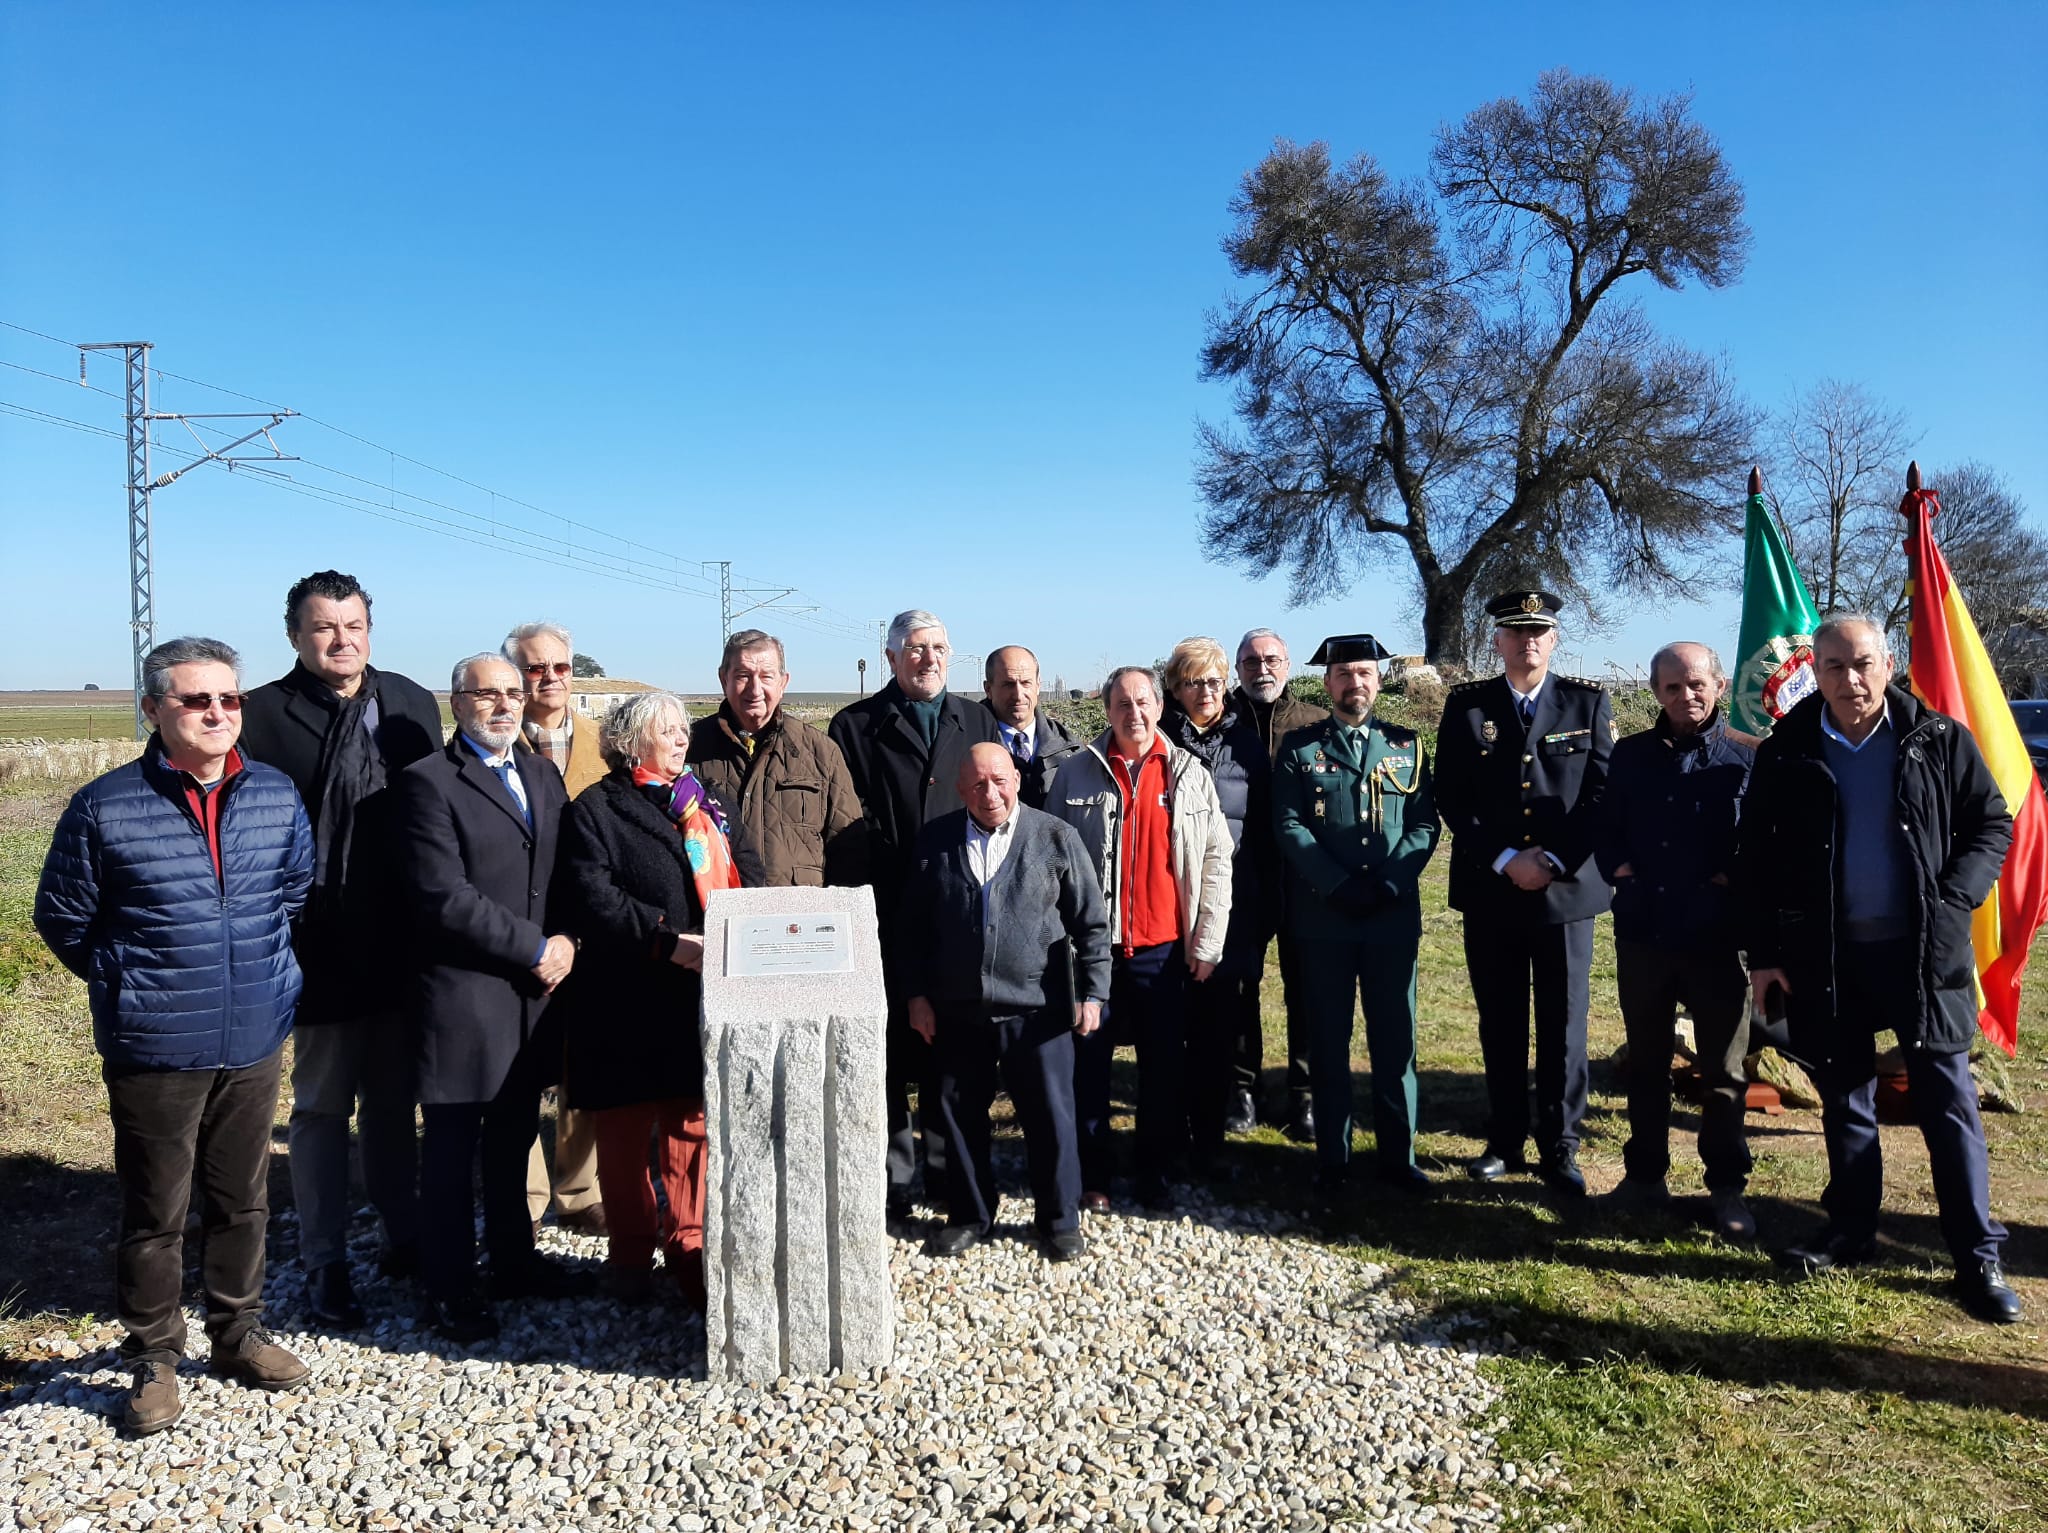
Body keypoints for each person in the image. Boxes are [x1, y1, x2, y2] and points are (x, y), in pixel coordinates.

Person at [35, 637, 314, 1434]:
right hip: (155, 1043)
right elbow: (62, 918)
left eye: (229, 699)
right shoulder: (106, 805)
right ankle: (154, 1355)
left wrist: (264, 975)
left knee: (243, 1200)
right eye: (196, 700)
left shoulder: (273, 794)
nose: (217, 713)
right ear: (155, 708)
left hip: (254, 1033)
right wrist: (128, 981)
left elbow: (291, 893)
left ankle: (237, 1334)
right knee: (157, 1208)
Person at [1739, 614, 2020, 1324]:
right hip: (1827, 957)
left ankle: (1975, 1256)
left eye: (1861, 663)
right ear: (1816, 672)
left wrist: (1955, 896)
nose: (1849, 679)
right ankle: (1853, 1229)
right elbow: (1757, 859)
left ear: (1887, 663)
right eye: (1833, 666)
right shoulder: (1789, 749)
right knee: (1845, 1099)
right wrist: (1766, 954)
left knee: (1948, 1104)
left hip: (1924, 955)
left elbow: (1993, 821)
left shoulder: (1937, 739)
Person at [238, 570, 441, 1329]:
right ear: (295, 635)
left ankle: (402, 1231)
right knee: (322, 1107)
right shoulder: (261, 714)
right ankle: (324, 1259)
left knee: (394, 1102)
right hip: (316, 943)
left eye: (353, 624)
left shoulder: (411, 701)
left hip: (402, 942)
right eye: (324, 627)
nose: (341, 640)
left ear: (370, 627)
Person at [395, 653, 590, 1342]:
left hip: (531, 998)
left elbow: (565, 871)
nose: (505, 704)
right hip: (463, 996)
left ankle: (515, 1262)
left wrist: (566, 935)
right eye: (487, 694)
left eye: (515, 691)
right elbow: (444, 897)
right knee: (451, 1151)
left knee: (512, 1140)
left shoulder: (540, 774)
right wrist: (538, 948)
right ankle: (449, 1289)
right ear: (457, 703)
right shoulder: (426, 784)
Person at [561, 693, 745, 1308]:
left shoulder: (707, 804)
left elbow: (745, 865)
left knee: (690, 1126)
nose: (679, 740)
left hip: (696, 995)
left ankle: (687, 1244)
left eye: (682, 730)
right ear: (630, 741)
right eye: (665, 732)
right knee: (622, 1132)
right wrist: (665, 940)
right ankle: (632, 1254)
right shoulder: (596, 809)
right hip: (624, 997)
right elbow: (593, 894)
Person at [1434, 590, 1613, 1196]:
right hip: (1493, 889)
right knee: (1501, 1019)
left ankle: (1561, 1145)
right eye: (1515, 632)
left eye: (1539, 631)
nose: (1527, 641)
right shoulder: (1467, 707)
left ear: (1555, 639)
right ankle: (1506, 1139)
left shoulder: (1587, 702)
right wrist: (1508, 858)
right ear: (1498, 641)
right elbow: (1451, 795)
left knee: (1564, 1023)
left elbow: (1601, 796)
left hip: (1566, 894)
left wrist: (1556, 858)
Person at [828, 609, 1003, 1226]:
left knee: (948, 1043)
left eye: (938, 648)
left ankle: (944, 1164)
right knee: (890, 1046)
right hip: (885, 905)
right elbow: (846, 815)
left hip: (957, 910)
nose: (928, 658)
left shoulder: (978, 718)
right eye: (915, 648)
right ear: (892, 656)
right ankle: (895, 1173)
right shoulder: (854, 726)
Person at [902, 745, 1110, 1261]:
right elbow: (911, 931)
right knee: (957, 1115)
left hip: (1037, 1009)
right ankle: (971, 1213)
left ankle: (1059, 1219)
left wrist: (1094, 992)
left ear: (1016, 779)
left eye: (998, 780)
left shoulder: (1055, 836)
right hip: (957, 1010)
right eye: (976, 785)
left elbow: (1091, 923)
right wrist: (916, 996)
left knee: (1051, 1117)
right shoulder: (935, 841)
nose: (989, 793)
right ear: (960, 790)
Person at [1044, 666, 1234, 1209]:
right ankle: (1093, 1176)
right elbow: (1052, 864)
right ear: (1107, 711)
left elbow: (1218, 860)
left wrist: (1208, 941)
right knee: (1089, 1066)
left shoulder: (1188, 774)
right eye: (1123, 703)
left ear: (1159, 706)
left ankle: (1155, 1171)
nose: (1135, 713)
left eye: (1144, 701)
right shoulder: (1075, 775)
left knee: (1162, 1070)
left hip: (1164, 951)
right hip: (1094, 955)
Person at [1596, 642, 1757, 1238]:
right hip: (1645, 932)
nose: (1684, 696)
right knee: (1646, 1063)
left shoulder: (1748, 758)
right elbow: (1604, 825)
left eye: (1695, 685)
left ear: (1717, 685)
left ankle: (1727, 1190)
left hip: (1719, 938)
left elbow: (1767, 841)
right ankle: (1644, 1178)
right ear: (1656, 692)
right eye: (1670, 687)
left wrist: (1731, 877)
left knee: (1723, 1072)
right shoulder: (1631, 756)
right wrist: (1620, 871)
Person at [1272, 634, 1442, 1193]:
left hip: (1391, 918)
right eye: (1344, 674)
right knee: (1328, 1040)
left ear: (1379, 680)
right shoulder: (1299, 750)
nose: (1355, 684)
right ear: (1327, 683)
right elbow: (1290, 825)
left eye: (1365, 673)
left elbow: (1423, 824)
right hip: (1326, 917)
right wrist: (1338, 884)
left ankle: (1400, 1155)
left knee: (1396, 1041)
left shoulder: (1407, 745)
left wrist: (1392, 882)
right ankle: (1334, 1158)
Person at [502, 620, 606, 1241]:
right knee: (518, 1062)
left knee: (583, 1060)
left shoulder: (603, 743)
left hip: (590, 926)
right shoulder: (491, 742)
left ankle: (580, 1188)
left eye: (560, 668)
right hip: (519, 925)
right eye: (535, 669)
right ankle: (527, 1189)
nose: (549, 680)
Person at [1159, 636, 1272, 1145]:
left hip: (1231, 902)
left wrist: (1260, 904)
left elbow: (1265, 828)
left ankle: (1213, 1126)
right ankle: (1170, 1118)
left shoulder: (1246, 744)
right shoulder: (1159, 742)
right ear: (1175, 689)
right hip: (1169, 904)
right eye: (1192, 683)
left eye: (1213, 681)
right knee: (1172, 1019)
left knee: (1223, 1017)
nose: (1205, 692)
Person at [1231, 628, 1329, 1141]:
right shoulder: (1220, 724)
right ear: (1237, 668)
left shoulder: (1314, 725)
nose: (1260, 669)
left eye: (1270, 659)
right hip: (1239, 881)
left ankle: (1305, 1095)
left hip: (1302, 882)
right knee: (1240, 988)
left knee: (1306, 990)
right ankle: (1242, 1088)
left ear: (1287, 665)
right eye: (1249, 661)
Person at [686, 627, 869, 886]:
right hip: (715, 915)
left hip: (800, 919)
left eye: (766, 676)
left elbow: (849, 851)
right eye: (743, 676)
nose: (755, 688)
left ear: (783, 683)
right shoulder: (688, 749)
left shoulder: (820, 752)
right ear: (723, 679)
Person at [982, 645, 1083, 811]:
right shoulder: (967, 743)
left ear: (1038, 685)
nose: (1018, 694)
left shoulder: (1070, 750)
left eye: (1025, 683)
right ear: (988, 689)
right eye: (1008, 684)